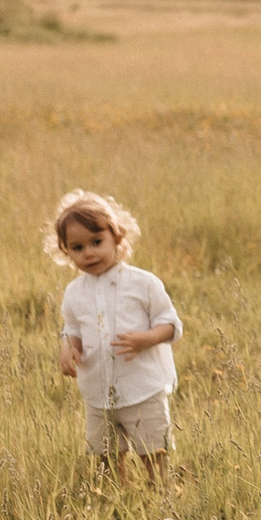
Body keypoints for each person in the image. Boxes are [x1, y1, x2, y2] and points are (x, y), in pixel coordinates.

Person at [48, 190, 183, 487]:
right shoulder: (74, 293)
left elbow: (171, 325)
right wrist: (68, 349)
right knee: (105, 454)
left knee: (152, 449)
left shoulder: (142, 283)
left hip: (142, 388)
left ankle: (160, 495)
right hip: (98, 390)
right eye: (78, 247)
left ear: (117, 237)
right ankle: (113, 497)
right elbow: (72, 329)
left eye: (97, 242)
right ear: (65, 251)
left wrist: (145, 339)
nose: (89, 253)